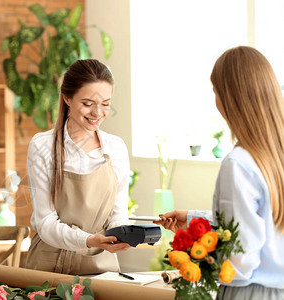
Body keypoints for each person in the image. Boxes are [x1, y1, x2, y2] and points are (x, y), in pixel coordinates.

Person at [155, 46, 284, 299]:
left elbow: (241, 259)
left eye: (216, 92)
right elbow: (263, 223)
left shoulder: (238, 163)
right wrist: (195, 220)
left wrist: (195, 262)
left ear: (230, 97)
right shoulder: (275, 156)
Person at [25, 59, 131, 275]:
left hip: (100, 266)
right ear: (67, 98)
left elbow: (118, 212)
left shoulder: (116, 148)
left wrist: (122, 233)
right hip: (48, 265)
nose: (97, 113)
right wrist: (89, 240)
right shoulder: (42, 145)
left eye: (105, 103)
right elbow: (44, 221)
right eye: (88, 103)